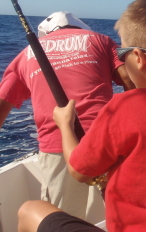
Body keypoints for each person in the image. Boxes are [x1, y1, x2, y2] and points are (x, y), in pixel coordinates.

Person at [17, 0, 146, 232]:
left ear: (138, 58)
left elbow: (79, 171)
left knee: (30, 211)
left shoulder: (125, 106)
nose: (120, 58)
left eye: (122, 53)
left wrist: (66, 125)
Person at [0, 11, 134, 219]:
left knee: (64, 219)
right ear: (80, 29)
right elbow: (131, 81)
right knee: (113, 215)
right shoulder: (101, 40)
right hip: (106, 140)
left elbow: (2, 104)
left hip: (57, 147)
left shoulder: (25, 55)